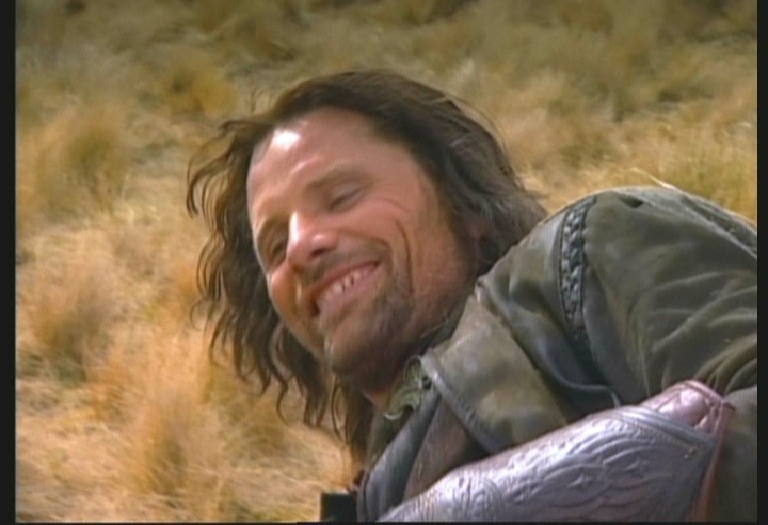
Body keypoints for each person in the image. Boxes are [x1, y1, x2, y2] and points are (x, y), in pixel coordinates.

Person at [186, 69, 756, 522]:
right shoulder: (383, 483)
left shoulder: (586, 256)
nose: (301, 246)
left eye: (341, 196)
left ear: (462, 201)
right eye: (275, 246)